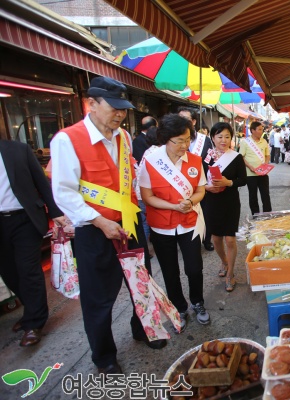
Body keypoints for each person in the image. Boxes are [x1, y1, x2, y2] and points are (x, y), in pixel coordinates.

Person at [50, 76, 165, 376]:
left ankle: (143, 329)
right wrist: (100, 222)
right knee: (98, 298)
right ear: (91, 104)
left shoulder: (124, 138)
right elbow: (63, 191)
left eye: (123, 109)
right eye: (113, 107)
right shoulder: (67, 139)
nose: (119, 114)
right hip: (94, 229)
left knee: (141, 283)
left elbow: (129, 179)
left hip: (129, 222)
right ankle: (104, 357)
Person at [138, 114, 209, 330]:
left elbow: (201, 190)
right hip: (161, 225)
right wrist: (173, 206)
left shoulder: (195, 160)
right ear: (165, 139)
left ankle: (197, 302)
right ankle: (178, 306)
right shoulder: (150, 161)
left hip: (189, 222)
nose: (184, 145)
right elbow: (147, 197)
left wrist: (190, 201)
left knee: (194, 267)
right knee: (169, 270)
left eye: (187, 139)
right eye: (178, 141)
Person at [0, 141, 66, 347]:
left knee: (28, 269)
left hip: (24, 219)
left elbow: (40, 181)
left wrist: (56, 212)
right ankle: (30, 310)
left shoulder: (17, 149)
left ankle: (34, 323)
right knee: (8, 271)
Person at [202, 122, 247, 292]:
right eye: (219, 136)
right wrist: (207, 187)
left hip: (230, 201)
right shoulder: (206, 158)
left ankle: (230, 274)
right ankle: (224, 261)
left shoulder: (235, 157)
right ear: (212, 138)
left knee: (230, 239)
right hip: (212, 201)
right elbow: (198, 180)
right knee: (216, 238)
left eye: (227, 136)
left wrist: (228, 182)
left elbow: (242, 180)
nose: (223, 140)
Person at [179, 107, 214, 251]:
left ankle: (206, 239)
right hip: (182, 184)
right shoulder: (174, 140)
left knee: (206, 212)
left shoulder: (204, 140)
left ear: (193, 121)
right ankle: (188, 240)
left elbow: (211, 160)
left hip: (202, 184)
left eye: (186, 119)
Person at [239, 121, 272, 216]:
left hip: (263, 173)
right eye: (260, 129)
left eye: (262, 129)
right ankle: (256, 215)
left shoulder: (264, 141)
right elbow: (241, 157)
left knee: (265, 194)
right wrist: (250, 167)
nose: (262, 131)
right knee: (253, 195)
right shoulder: (245, 142)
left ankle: (268, 214)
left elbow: (267, 155)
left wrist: (265, 164)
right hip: (250, 174)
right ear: (253, 130)